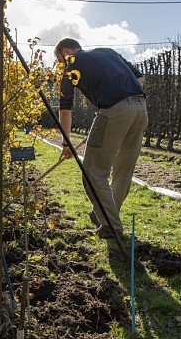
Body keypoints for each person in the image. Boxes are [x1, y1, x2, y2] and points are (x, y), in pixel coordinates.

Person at [54, 38, 147, 246]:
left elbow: (65, 107)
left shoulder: (72, 63)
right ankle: (104, 214)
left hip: (113, 112)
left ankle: (111, 226)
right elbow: (140, 79)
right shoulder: (108, 52)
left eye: (60, 60)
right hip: (140, 109)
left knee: (93, 172)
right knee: (123, 170)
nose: (62, 65)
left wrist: (66, 143)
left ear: (66, 51)